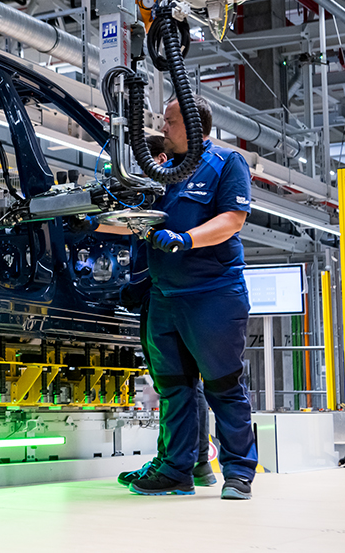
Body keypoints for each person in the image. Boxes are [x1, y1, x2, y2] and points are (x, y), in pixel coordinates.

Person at [129, 94, 257, 500]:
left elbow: (231, 221)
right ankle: (176, 470)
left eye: (168, 120)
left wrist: (185, 240)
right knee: (174, 388)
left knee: (223, 386)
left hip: (212, 295)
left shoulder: (226, 163)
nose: (162, 128)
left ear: (195, 126)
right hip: (165, 297)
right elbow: (141, 223)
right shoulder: (163, 172)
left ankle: (238, 473)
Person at [116, 135, 215, 490]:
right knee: (183, 383)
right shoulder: (156, 199)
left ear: (159, 158)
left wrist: (136, 288)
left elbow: (155, 257)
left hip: (164, 297)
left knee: (176, 382)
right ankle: (191, 462)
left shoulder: (166, 203)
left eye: (141, 164)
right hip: (170, 297)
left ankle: (180, 465)